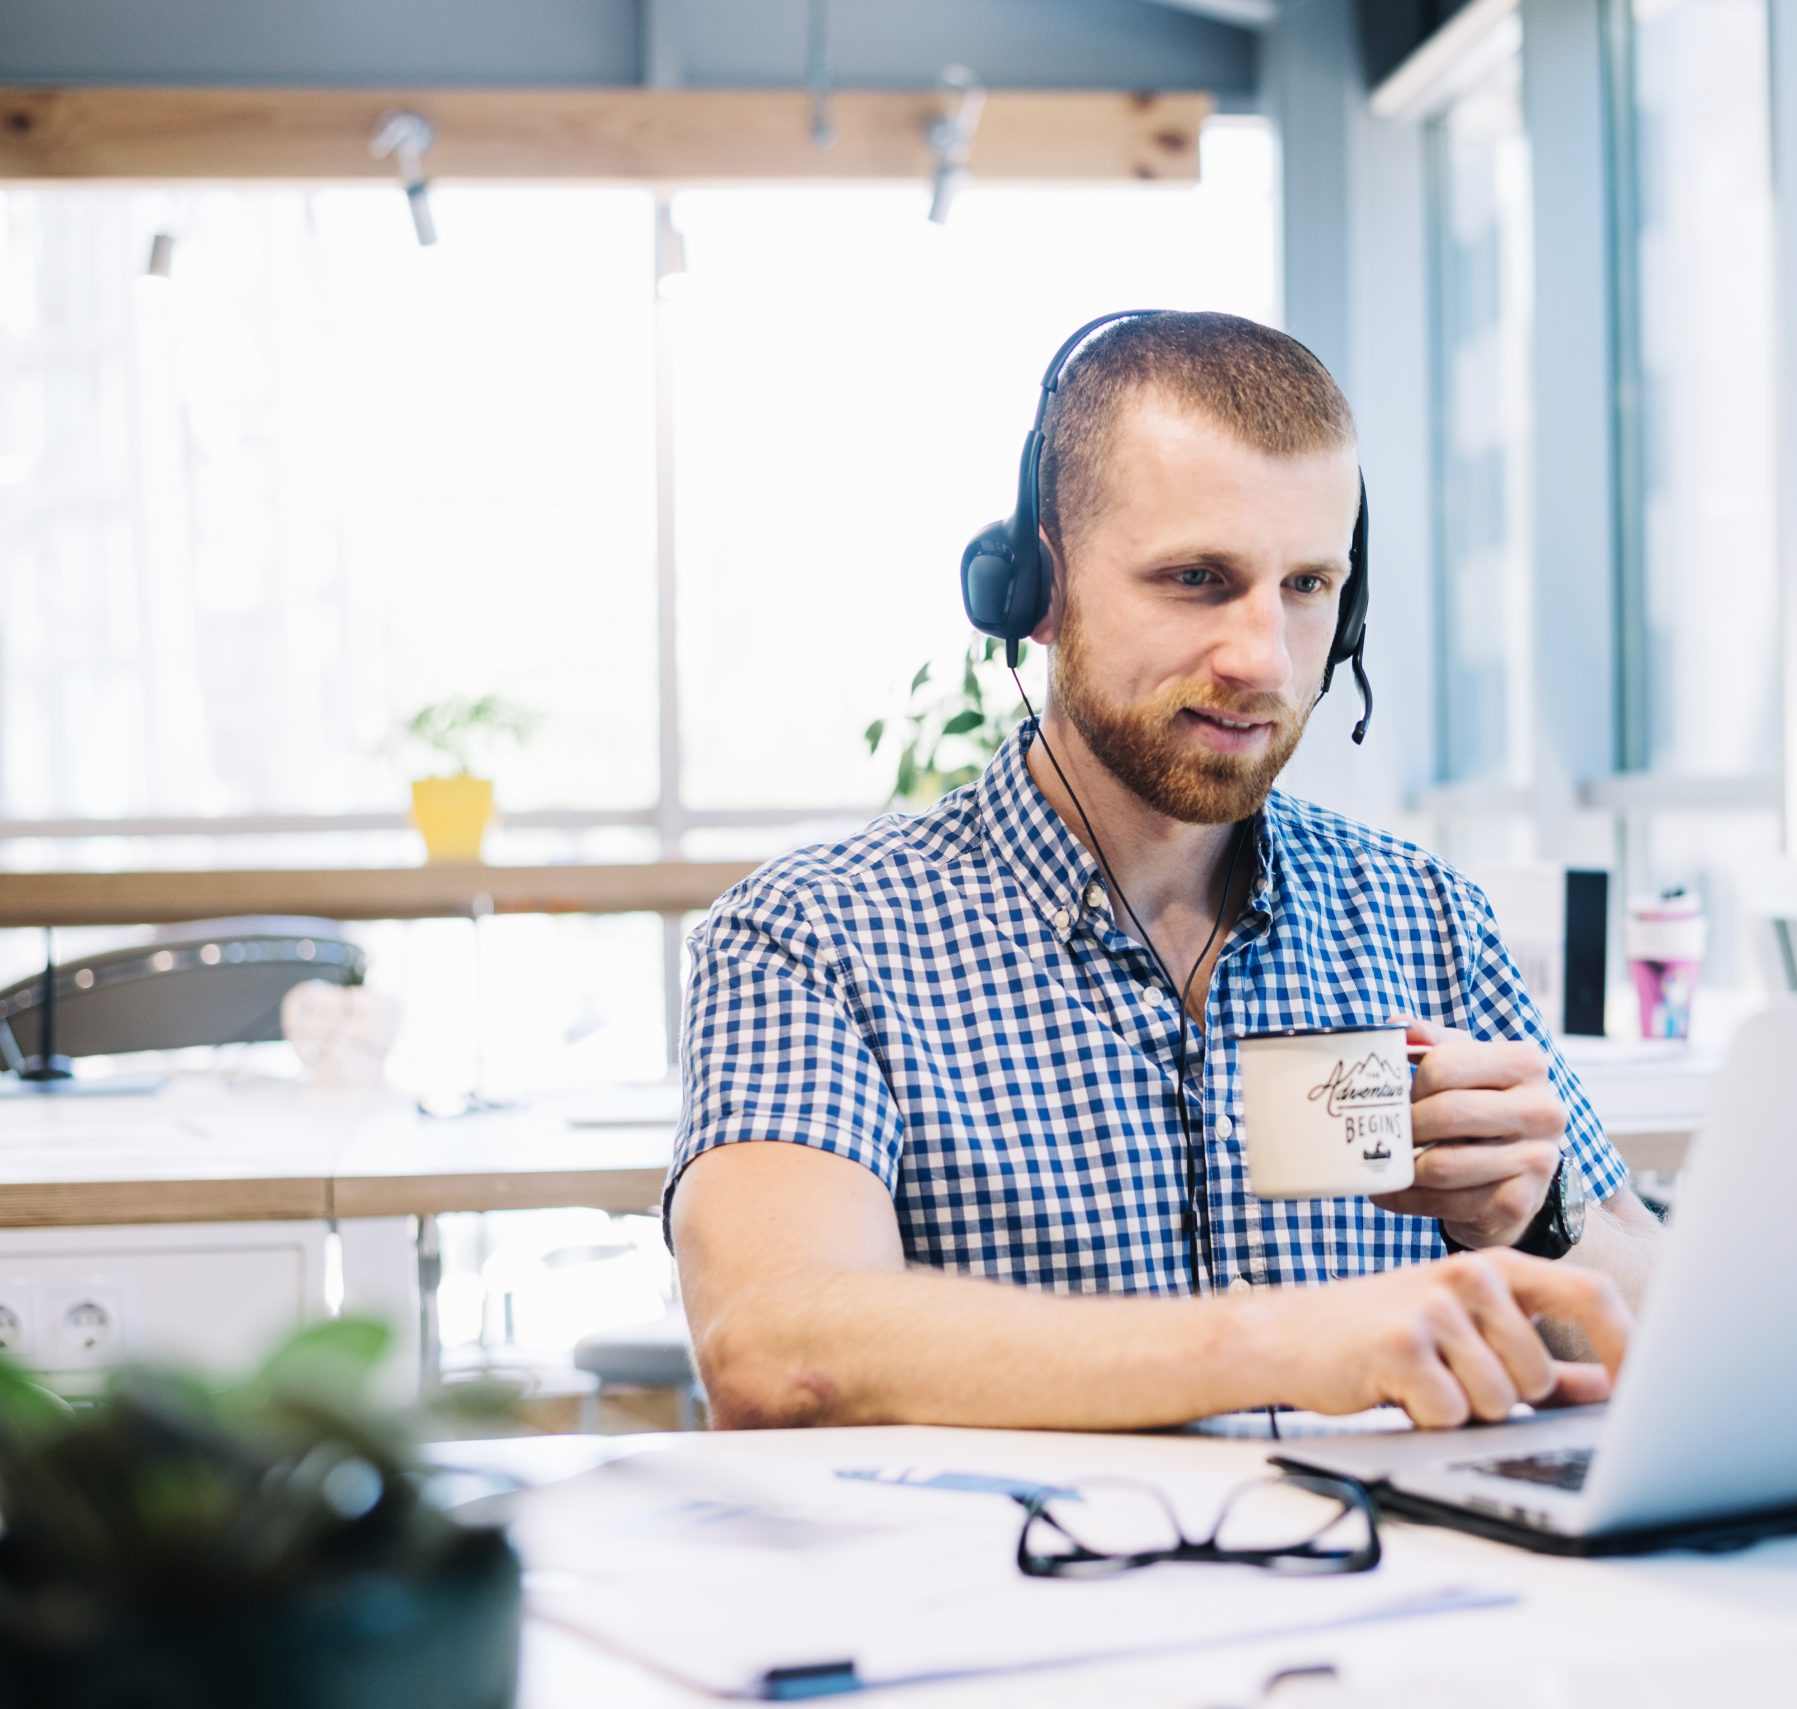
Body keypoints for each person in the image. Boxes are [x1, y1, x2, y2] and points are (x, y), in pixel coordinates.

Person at [668, 310, 1663, 1432]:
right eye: (1196, 578)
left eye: (1306, 585)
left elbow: (1663, 1331)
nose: (1263, 659)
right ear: (1036, 591)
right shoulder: (816, 935)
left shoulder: (1421, 915)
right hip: (1028, 1593)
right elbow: (775, 1346)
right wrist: (1273, 1341)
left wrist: (1535, 1219)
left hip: (1399, 1589)